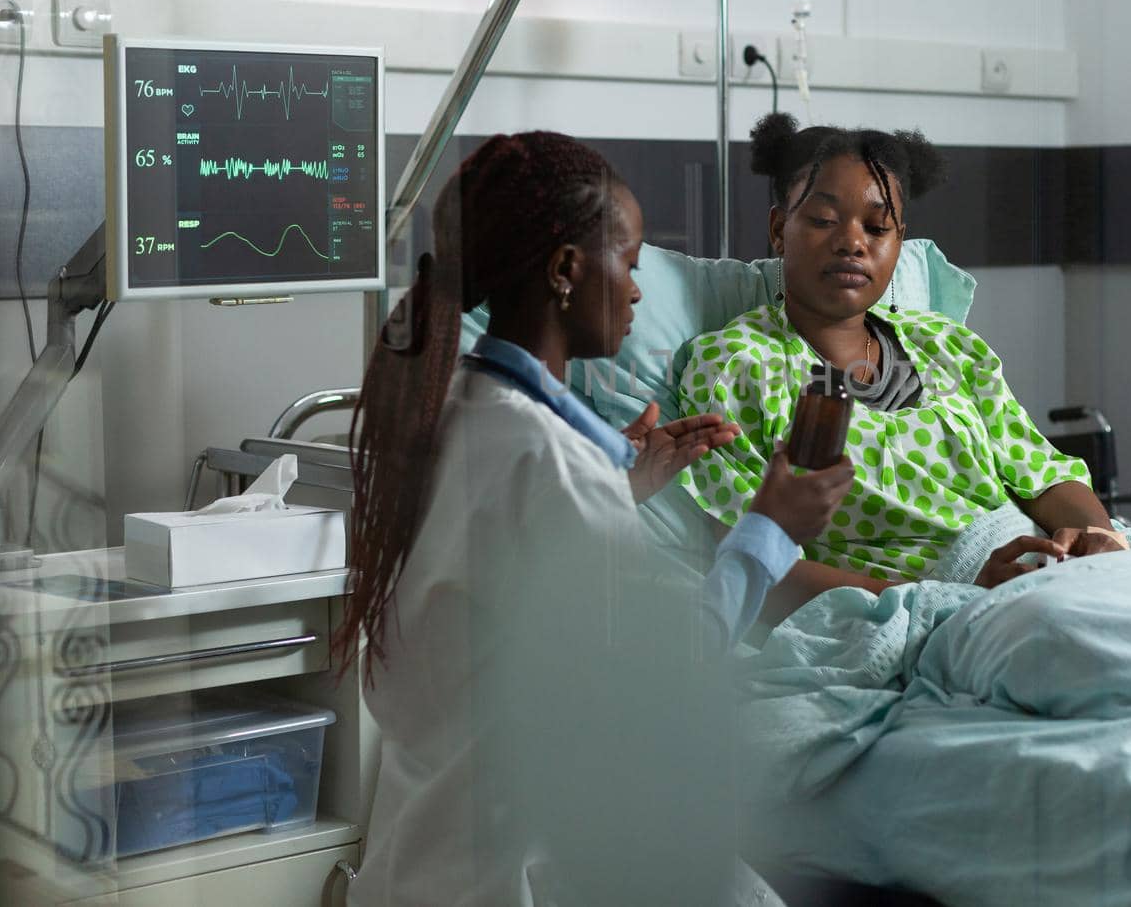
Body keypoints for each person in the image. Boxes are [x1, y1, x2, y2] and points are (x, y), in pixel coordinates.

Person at [341, 132, 853, 907]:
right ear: (566, 272)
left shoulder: (447, 414)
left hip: (414, 863)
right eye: (632, 262)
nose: (639, 291)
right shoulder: (554, 466)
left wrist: (627, 485)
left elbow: (501, 568)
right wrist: (769, 529)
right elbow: (664, 682)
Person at [677, 113, 1128, 623]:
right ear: (780, 230)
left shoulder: (947, 344)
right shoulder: (736, 365)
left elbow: (1043, 475)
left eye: (877, 227)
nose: (853, 242)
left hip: (1043, 567)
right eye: (824, 220)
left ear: (898, 241)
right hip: (910, 607)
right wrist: (949, 593)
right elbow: (753, 565)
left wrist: (1101, 542)